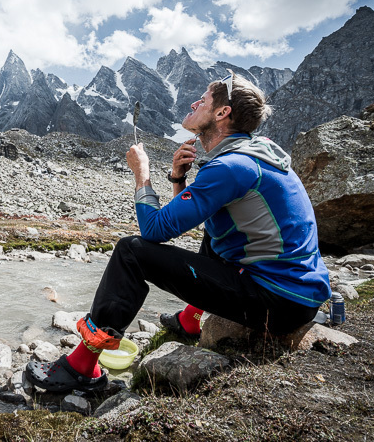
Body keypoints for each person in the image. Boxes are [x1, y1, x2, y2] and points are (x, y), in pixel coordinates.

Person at [25, 70, 331, 392]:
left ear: (222, 113)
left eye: (203, 100)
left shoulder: (230, 168)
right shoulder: (255, 152)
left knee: (131, 253)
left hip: (278, 302)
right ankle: (189, 321)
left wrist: (141, 174)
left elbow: (154, 229)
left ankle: (80, 369)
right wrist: (177, 179)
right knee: (215, 232)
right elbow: (186, 219)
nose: (194, 102)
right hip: (299, 293)